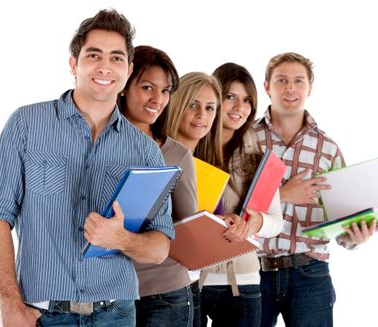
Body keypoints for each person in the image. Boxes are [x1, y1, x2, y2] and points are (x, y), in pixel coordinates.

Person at [0, 9, 174, 327]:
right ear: (74, 63)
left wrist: (122, 239)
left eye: (116, 58)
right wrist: (10, 304)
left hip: (117, 313)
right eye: (94, 55)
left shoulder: (145, 150)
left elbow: (159, 247)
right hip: (41, 312)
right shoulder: (26, 124)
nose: (105, 67)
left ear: (128, 70)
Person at [253, 52, 378, 327]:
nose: (290, 88)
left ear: (309, 88)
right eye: (281, 80)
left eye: (298, 81)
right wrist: (282, 195)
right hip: (253, 272)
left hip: (310, 274)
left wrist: (355, 237)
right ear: (267, 87)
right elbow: (230, 202)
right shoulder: (246, 138)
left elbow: (341, 221)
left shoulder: (328, 149)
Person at [198, 63, 284, 327]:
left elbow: (275, 221)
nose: (239, 108)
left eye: (247, 100)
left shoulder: (258, 157)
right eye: (230, 97)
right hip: (193, 282)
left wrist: (253, 223)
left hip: (244, 282)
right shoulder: (190, 148)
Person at [118, 45, 197, 326]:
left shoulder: (177, 154)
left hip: (165, 294)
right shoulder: (97, 145)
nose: (157, 99)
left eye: (165, 91)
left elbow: (188, 223)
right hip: (108, 295)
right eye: (148, 87)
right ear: (124, 86)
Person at [165, 71, 224, 326]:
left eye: (210, 108)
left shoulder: (211, 167)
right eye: (193, 105)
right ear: (177, 105)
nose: (202, 115)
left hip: (193, 284)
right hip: (158, 285)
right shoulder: (155, 153)